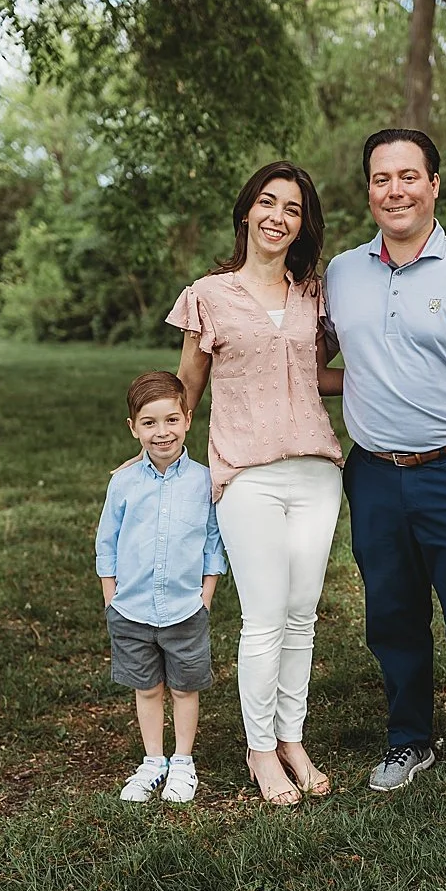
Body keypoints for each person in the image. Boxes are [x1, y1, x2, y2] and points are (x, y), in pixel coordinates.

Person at [322, 128, 446, 805]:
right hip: (375, 474)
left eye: (409, 176)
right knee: (391, 617)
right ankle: (409, 740)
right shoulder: (343, 274)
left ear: (435, 185)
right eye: (382, 179)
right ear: (369, 190)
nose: (396, 190)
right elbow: (317, 360)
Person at [167, 161, 345, 807]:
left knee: (302, 618)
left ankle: (292, 738)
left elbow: (309, 373)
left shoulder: (315, 295)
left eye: (292, 209)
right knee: (266, 617)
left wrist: (388, 384)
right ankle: (260, 749)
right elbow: (188, 386)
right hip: (245, 472)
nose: (278, 217)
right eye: (267, 203)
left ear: (303, 225)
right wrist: (164, 459)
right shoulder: (209, 295)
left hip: (317, 471)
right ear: (246, 212)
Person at [95, 371, 226, 804]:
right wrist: (111, 595)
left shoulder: (203, 481)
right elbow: (107, 540)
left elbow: (212, 541)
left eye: (171, 420)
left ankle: (183, 761)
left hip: (185, 609)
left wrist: (206, 593)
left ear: (188, 419)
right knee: (147, 688)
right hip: (131, 609)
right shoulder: (123, 482)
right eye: (149, 423)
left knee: (186, 687)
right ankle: (154, 761)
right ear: (133, 428)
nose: (161, 432)